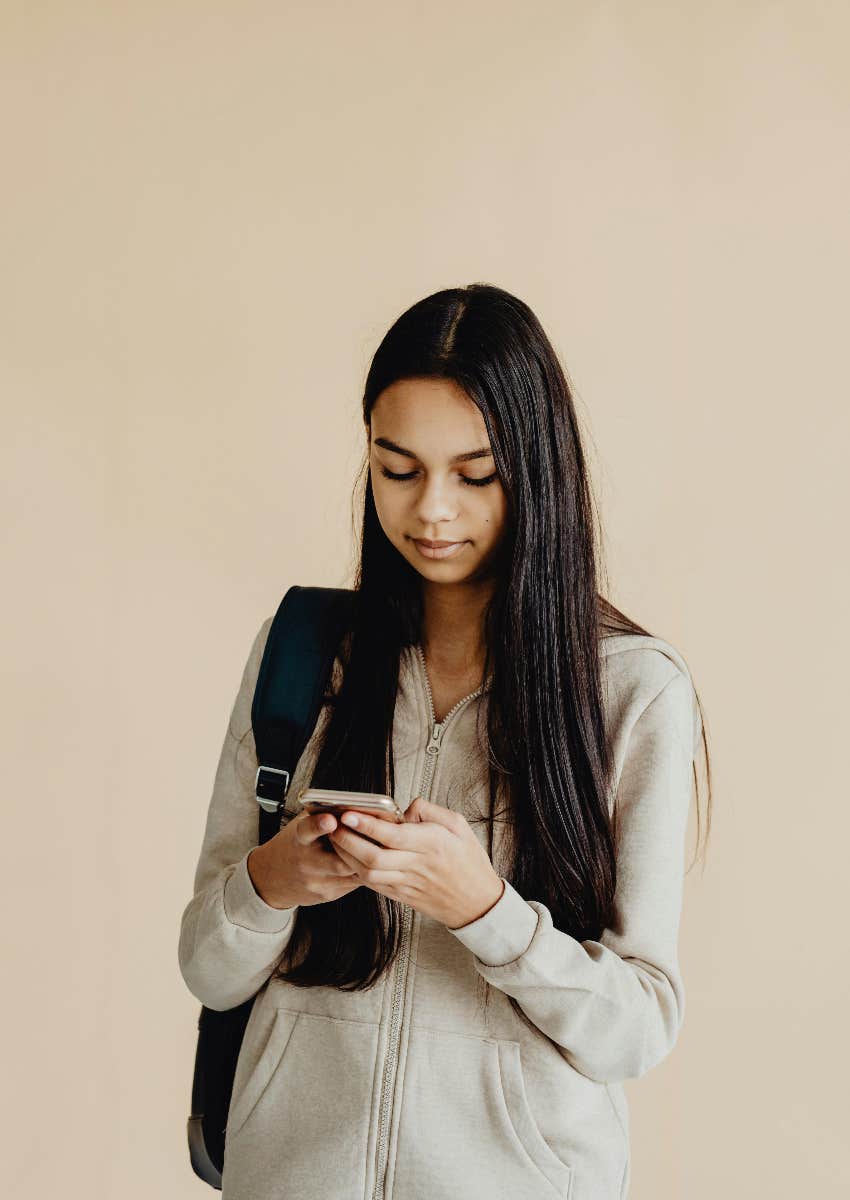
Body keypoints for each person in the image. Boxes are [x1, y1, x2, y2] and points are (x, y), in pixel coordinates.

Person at [178, 282, 712, 1200]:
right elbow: (207, 968)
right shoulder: (305, 655)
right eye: (399, 469)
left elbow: (639, 1026)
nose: (432, 510)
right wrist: (275, 882)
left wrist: (483, 910)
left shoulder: (631, 691)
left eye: (475, 474)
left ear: (536, 470)